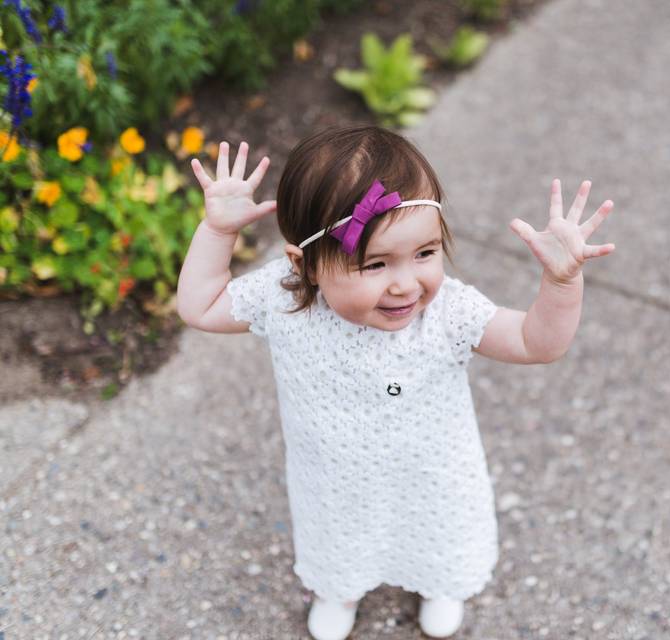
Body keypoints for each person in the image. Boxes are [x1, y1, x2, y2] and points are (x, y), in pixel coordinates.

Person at [176, 124, 615, 640]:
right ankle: (339, 589)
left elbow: (536, 342)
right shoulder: (282, 298)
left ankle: (440, 583)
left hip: (432, 477)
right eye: (376, 264)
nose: (406, 283)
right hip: (334, 483)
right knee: (339, 539)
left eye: (424, 254)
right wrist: (218, 232)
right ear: (306, 265)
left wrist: (562, 283)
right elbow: (200, 307)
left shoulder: (448, 312)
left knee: (438, 534)